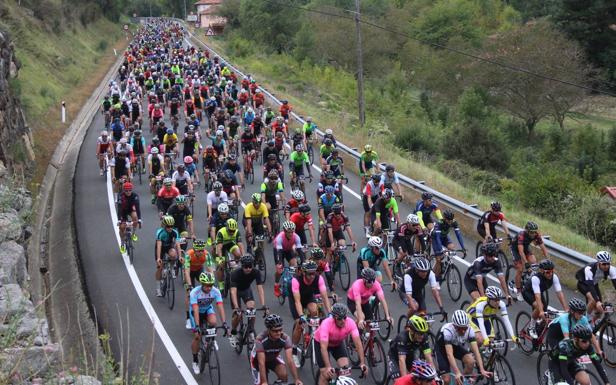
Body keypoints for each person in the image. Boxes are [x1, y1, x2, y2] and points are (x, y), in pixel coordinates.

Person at [290, 261, 332, 367]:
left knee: (314, 311)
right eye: (310, 274)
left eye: (314, 273)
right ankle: (293, 350)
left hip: (308, 296)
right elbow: (297, 302)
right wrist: (301, 316)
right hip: (296, 298)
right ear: (304, 273)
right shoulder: (296, 280)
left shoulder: (318, 278)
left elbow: (325, 297)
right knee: (299, 324)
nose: (312, 276)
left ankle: (313, 333)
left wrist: (330, 313)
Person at [314, 303, 367, 385]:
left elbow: (358, 343)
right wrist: (328, 367)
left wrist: (362, 363)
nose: (343, 321)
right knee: (326, 374)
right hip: (321, 343)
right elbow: (323, 348)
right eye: (339, 319)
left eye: (344, 317)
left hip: (337, 344)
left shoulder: (350, 323)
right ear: (334, 318)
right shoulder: (326, 324)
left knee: (345, 370)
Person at [435, 310, 490, 385]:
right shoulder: (448, 331)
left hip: (454, 345)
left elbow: (476, 352)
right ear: (454, 326)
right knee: (446, 380)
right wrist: (457, 372)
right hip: (442, 348)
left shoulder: (470, 330)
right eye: (460, 328)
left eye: (465, 328)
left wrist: (482, 369)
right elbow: (449, 354)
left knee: (471, 361)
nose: (463, 331)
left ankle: (461, 382)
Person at [189, 272, 228, 375]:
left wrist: (224, 323)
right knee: (197, 336)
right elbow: (196, 309)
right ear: (202, 284)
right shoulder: (194, 292)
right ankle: (195, 360)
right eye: (207, 285)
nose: (209, 288)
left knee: (214, 322)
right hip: (195, 312)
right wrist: (197, 326)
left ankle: (211, 340)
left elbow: (220, 307)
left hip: (207, 310)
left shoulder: (215, 291)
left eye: (211, 285)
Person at [521, 259, 569, 339]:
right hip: (528, 292)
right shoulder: (536, 278)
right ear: (542, 271)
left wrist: (566, 309)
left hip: (539, 292)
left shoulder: (554, 277)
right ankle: (531, 327)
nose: (550, 274)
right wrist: (541, 311)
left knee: (545, 316)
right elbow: (537, 296)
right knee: (539, 307)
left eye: (552, 271)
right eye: (547, 272)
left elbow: (560, 293)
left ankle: (538, 332)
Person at [251, 314, 303, 385]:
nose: (278, 333)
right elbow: (261, 363)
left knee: (284, 375)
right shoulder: (260, 339)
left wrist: (296, 379)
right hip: (257, 361)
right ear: (269, 330)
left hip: (273, 357)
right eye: (275, 331)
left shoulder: (285, 339)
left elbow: (290, 360)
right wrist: (264, 382)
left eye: (280, 330)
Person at [229, 255, 266, 348]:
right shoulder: (235, 273)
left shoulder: (256, 272)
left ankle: (250, 330)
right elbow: (233, 292)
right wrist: (236, 308)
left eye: (250, 266)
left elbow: (260, 288)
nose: (248, 269)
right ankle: (233, 332)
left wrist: (263, 305)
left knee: (252, 309)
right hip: (236, 291)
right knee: (238, 314)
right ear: (242, 266)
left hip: (246, 290)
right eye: (246, 266)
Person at [510, 221, 548, 301]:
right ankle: (519, 291)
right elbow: (521, 252)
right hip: (516, 249)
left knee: (534, 262)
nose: (533, 234)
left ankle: (526, 277)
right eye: (531, 232)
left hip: (525, 247)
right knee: (520, 269)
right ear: (527, 231)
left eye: (535, 232)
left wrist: (548, 261)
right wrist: (526, 264)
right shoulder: (521, 235)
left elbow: (543, 248)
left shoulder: (536, 235)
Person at [575, 250, 616, 324]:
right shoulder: (589, 269)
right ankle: (583, 321)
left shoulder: (611, 269)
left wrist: (598, 303)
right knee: (594, 300)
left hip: (594, 284)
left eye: (608, 264)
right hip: (583, 284)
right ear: (598, 263)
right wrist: (597, 301)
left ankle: (593, 324)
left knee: (600, 309)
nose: (606, 266)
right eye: (604, 264)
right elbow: (590, 286)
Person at [183, 239, 215, 329]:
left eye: (202, 250)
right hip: (189, 272)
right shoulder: (188, 255)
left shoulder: (206, 254)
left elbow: (210, 269)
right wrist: (189, 286)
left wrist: (211, 282)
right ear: (194, 249)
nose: (201, 252)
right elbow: (186, 272)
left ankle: (205, 310)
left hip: (199, 270)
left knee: (206, 286)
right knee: (189, 293)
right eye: (199, 250)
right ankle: (188, 318)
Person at [431, 210, 465, 279]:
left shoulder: (454, 222)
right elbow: (437, 237)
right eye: (448, 220)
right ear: (445, 218)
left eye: (451, 220)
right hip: (435, 238)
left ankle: (447, 263)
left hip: (444, 237)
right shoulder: (440, 222)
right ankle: (435, 277)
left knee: (452, 247)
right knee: (438, 259)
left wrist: (463, 248)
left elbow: (458, 234)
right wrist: (440, 249)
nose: (450, 222)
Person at [155, 216, 183, 297]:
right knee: (160, 267)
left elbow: (178, 245)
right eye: (168, 226)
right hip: (160, 248)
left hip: (168, 247)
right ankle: (158, 288)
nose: (170, 228)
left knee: (174, 254)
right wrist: (159, 258)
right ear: (164, 225)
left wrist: (180, 256)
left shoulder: (175, 232)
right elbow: (159, 246)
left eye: (171, 226)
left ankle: (171, 268)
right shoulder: (160, 232)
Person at [117, 182, 142, 253]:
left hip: (131, 209)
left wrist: (139, 219)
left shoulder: (135, 196)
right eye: (126, 191)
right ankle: (122, 244)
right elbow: (119, 209)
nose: (128, 192)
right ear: (124, 191)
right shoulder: (120, 196)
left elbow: (137, 208)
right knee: (122, 227)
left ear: (132, 190)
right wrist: (119, 220)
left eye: (129, 190)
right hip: (123, 211)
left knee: (135, 218)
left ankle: (133, 234)